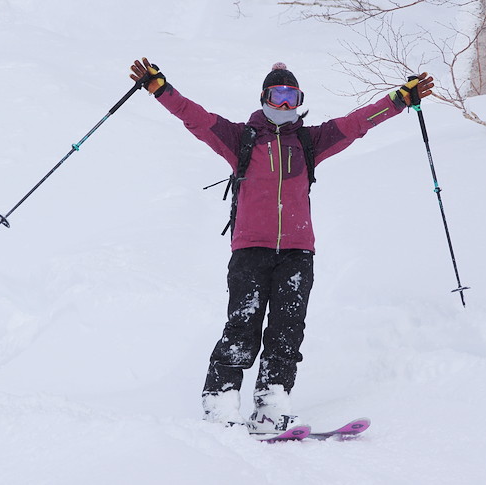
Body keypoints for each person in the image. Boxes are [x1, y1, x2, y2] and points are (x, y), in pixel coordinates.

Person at [130, 58, 434, 433]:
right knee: (242, 326)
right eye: (279, 95)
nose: (285, 105)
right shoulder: (240, 138)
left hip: (297, 252)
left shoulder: (310, 141)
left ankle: (271, 404)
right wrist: (161, 89)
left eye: (292, 96)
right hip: (250, 250)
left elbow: (358, 123)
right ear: (264, 97)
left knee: (287, 330)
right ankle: (220, 403)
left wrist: (399, 100)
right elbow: (196, 118)